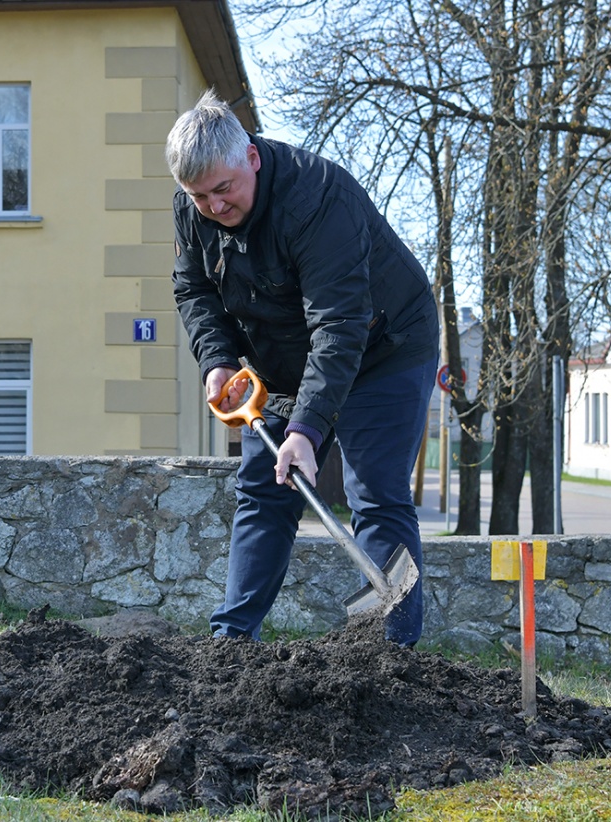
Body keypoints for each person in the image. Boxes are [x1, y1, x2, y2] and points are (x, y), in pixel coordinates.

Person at [165, 89, 440, 644]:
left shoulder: (317, 200)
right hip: (280, 357)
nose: (214, 207)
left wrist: (306, 431)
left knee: (375, 492)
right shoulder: (193, 208)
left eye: (224, 189)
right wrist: (217, 360)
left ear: (252, 157)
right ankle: (231, 643)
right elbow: (193, 288)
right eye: (200, 196)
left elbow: (339, 325)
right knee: (263, 488)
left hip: (382, 346)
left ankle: (389, 653)